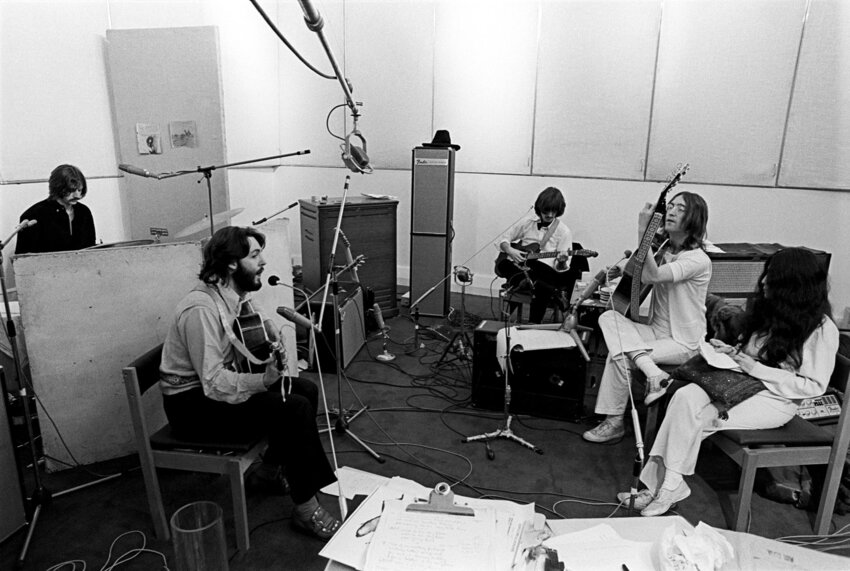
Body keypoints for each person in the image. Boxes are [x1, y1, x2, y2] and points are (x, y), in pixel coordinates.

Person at [622, 247, 838, 516]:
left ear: (792, 285)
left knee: (696, 414)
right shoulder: (769, 312)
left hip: (775, 400)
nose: (763, 282)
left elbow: (812, 387)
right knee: (684, 397)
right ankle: (669, 485)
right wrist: (731, 353)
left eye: (771, 277)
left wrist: (757, 368)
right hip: (739, 382)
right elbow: (751, 355)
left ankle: (662, 487)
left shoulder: (822, 329)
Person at [159, 226, 340, 540]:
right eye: (255, 256)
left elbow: (249, 325)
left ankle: (270, 471)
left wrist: (272, 337)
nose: (263, 262)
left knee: (306, 389)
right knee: (293, 407)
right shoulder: (200, 310)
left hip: (207, 392)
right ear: (231, 264)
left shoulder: (229, 293)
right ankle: (306, 507)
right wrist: (261, 380)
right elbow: (213, 383)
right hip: (190, 407)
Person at [583, 192, 711, 443]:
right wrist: (621, 269)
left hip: (684, 342)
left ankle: (614, 421)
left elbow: (653, 276)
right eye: (670, 206)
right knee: (609, 317)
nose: (672, 211)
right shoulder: (665, 249)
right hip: (656, 331)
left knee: (618, 354)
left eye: (680, 209)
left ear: (694, 218)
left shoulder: (697, 260)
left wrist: (643, 228)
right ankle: (652, 372)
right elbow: (640, 271)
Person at [497, 186, 574, 323]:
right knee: (503, 264)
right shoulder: (527, 222)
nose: (550, 214)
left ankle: (532, 322)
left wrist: (562, 261)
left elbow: (562, 268)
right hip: (523, 267)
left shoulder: (564, 232)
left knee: (539, 274)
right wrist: (510, 250)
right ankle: (553, 293)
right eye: (546, 211)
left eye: (553, 211)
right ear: (539, 209)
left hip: (547, 272)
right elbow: (503, 239)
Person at [15, 164, 96, 254]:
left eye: (80, 190)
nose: (77, 195)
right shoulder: (34, 215)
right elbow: (23, 260)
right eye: (71, 190)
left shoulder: (84, 212)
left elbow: (90, 249)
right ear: (58, 188)